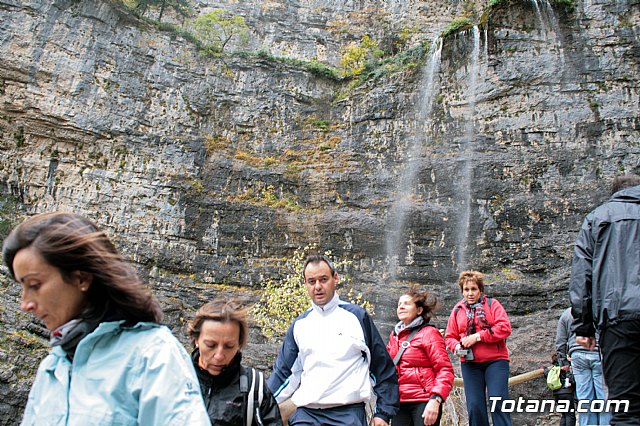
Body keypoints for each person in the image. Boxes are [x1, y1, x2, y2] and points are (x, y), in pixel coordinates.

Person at [2, 212, 211, 425]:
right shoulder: (53, 367)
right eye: (22, 287)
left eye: (35, 285)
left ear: (81, 278)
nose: (25, 303)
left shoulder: (153, 355)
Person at [267, 254, 399, 426]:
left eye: (323, 279)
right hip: (306, 416)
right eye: (312, 281)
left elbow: (382, 368)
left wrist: (382, 413)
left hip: (348, 415)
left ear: (335, 278)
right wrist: (256, 407)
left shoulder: (357, 317)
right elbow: (283, 375)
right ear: (305, 284)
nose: (318, 287)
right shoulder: (300, 325)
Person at [570, 174, 640, 425]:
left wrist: (584, 326)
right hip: (617, 316)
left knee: (626, 407)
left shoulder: (597, 218)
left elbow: (582, 277)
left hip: (617, 320)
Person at [187, 297, 283, 426]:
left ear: (239, 344)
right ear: (196, 340)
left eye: (229, 346)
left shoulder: (254, 388)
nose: (219, 356)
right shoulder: (174, 380)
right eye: (210, 345)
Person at [445, 270, 512, 426]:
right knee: (475, 406)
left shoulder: (492, 304)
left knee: (498, 402)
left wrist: (477, 337)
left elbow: (504, 328)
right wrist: (456, 346)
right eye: (466, 289)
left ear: (480, 289)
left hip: (496, 361)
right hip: (470, 364)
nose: (470, 293)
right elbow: (449, 336)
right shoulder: (457, 310)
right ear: (462, 291)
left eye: (473, 289)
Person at [386, 289, 454, 426]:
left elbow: (445, 369)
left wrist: (436, 399)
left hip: (424, 400)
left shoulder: (429, 333)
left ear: (419, 310)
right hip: (400, 401)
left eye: (407, 303)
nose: (401, 306)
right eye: (399, 304)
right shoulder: (394, 337)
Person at [556, 307, 609, 426]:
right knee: (603, 398)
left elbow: (560, 341)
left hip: (577, 356)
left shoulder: (567, 314)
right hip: (598, 353)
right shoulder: (599, 309)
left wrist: (564, 363)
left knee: (584, 398)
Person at [545, 351, 577, 426]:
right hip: (567, 393)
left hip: (557, 394)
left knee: (564, 415)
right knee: (570, 414)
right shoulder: (566, 367)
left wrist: (544, 369)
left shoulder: (552, 369)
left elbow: (546, 374)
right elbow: (572, 380)